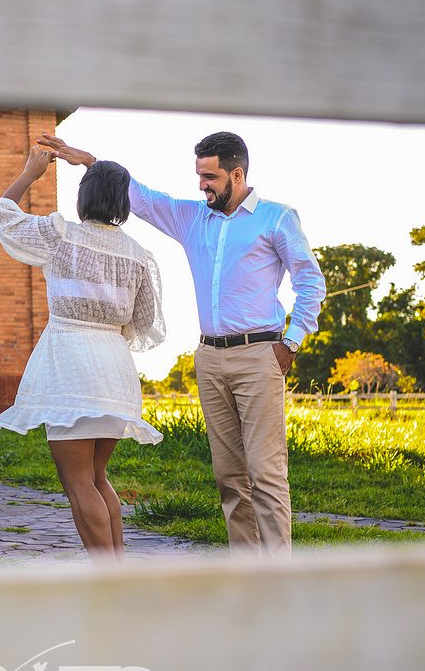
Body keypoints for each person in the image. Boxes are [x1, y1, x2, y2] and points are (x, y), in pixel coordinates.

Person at [39, 131, 325, 556]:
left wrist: (292, 342)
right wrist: (91, 163)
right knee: (229, 477)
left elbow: (310, 282)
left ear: (237, 174)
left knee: (266, 474)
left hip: (260, 354)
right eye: (199, 176)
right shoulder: (193, 218)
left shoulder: (277, 218)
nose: (201, 185)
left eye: (210, 177)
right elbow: (144, 199)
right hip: (209, 357)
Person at [0, 145, 165, 560]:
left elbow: (2, 215)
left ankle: (106, 578)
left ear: (83, 197)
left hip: (72, 368)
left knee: (78, 482)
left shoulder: (61, 235)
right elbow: (144, 324)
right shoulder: (138, 255)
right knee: (98, 476)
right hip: (115, 368)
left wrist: (30, 174)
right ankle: (116, 571)